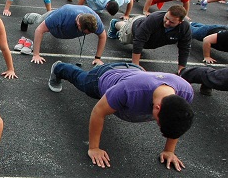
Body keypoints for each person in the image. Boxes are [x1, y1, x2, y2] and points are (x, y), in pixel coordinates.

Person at [48, 61, 194, 171]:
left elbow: (177, 119)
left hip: (134, 72)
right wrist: (94, 148)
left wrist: (169, 151)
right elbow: (98, 112)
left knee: (113, 100)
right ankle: (59, 67)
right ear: (157, 107)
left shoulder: (185, 92)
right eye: (158, 123)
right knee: (81, 80)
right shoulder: (129, 90)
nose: (158, 124)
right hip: (104, 76)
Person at [107, 5, 191, 73]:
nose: (167, 22)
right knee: (124, 34)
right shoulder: (154, 18)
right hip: (135, 27)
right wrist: (135, 65)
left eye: (172, 22)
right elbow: (139, 41)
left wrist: (181, 69)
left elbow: (185, 48)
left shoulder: (185, 28)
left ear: (180, 22)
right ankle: (115, 23)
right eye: (166, 18)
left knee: (144, 42)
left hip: (150, 38)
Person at [21, 5, 107, 65]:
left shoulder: (95, 21)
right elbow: (39, 30)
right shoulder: (63, 14)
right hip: (56, 22)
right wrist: (36, 54)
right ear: (79, 24)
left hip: (64, 30)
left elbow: (102, 36)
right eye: (86, 33)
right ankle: (26, 17)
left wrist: (97, 58)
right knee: (39, 20)